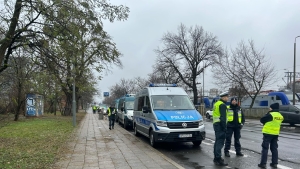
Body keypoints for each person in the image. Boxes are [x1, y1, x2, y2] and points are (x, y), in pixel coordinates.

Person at [258, 103, 284, 168]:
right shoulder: (280, 116)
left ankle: (263, 163)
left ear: (272, 108)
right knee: (274, 149)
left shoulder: (270, 115)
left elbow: (262, 119)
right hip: (275, 134)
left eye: (270, 108)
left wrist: (267, 114)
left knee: (265, 148)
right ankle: (274, 163)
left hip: (268, 133)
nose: (269, 108)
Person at [212, 91, 229, 166]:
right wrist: (224, 127)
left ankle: (216, 158)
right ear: (223, 97)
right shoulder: (222, 105)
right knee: (220, 142)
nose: (227, 98)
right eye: (227, 97)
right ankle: (218, 159)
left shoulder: (216, 104)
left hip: (216, 124)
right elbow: (223, 118)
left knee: (217, 141)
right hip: (220, 125)